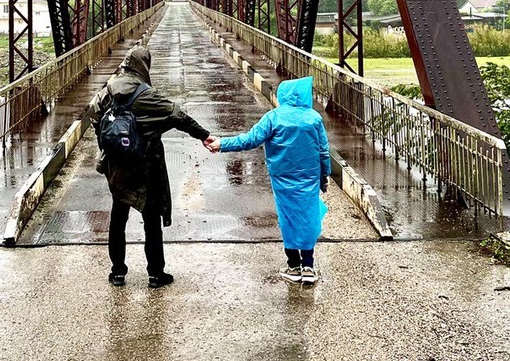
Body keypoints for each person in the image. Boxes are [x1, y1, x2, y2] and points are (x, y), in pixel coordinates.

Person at [85, 44, 212, 289]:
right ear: (145, 66)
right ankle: (156, 274)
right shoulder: (146, 95)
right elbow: (178, 116)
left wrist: (111, 142)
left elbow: (94, 116)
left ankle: (118, 273)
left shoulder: (108, 90)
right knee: (151, 221)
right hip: (146, 166)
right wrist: (203, 135)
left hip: (117, 167)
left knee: (117, 220)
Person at [206, 75, 332, 285]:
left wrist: (222, 144)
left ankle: (293, 266)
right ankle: (308, 266)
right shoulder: (314, 118)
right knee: (308, 218)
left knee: (288, 219)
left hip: (282, 179)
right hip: (308, 178)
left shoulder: (273, 118)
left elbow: (249, 140)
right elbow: (323, 152)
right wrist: (324, 176)